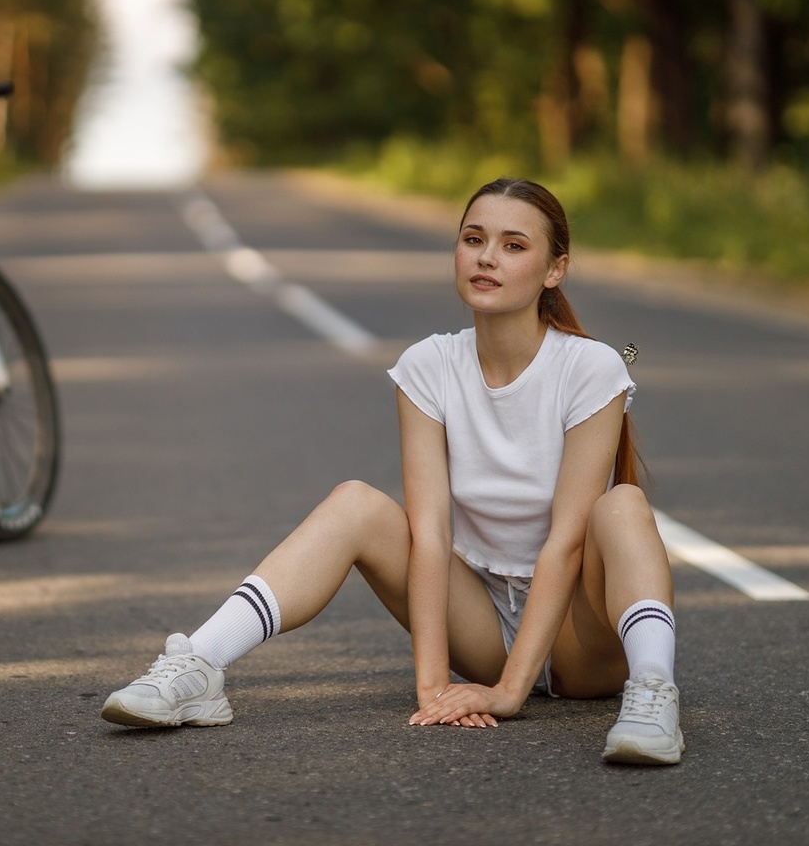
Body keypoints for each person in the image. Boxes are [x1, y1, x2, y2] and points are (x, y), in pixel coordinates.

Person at [100, 177, 684, 765]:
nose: (486, 257)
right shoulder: (428, 365)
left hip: (580, 638)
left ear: (554, 269)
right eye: (473, 239)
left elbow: (566, 541)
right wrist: (432, 684)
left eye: (513, 246)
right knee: (355, 502)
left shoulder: (591, 368)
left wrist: (509, 693)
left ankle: (654, 694)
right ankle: (198, 665)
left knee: (622, 506)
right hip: (482, 621)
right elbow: (429, 533)